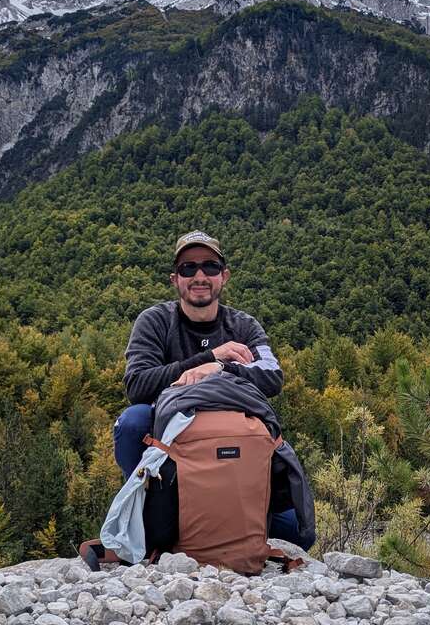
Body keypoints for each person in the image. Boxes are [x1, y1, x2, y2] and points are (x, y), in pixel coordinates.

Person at [114, 229, 311, 549]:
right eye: (188, 268)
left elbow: (272, 375)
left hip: (231, 451)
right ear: (175, 279)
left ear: (224, 276)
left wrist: (220, 368)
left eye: (210, 267)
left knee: (301, 535)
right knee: (133, 421)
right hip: (172, 452)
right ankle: (143, 509)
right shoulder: (154, 322)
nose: (199, 275)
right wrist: (207, 358)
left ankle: (240, 512)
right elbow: (137, 385)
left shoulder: (244, 326)